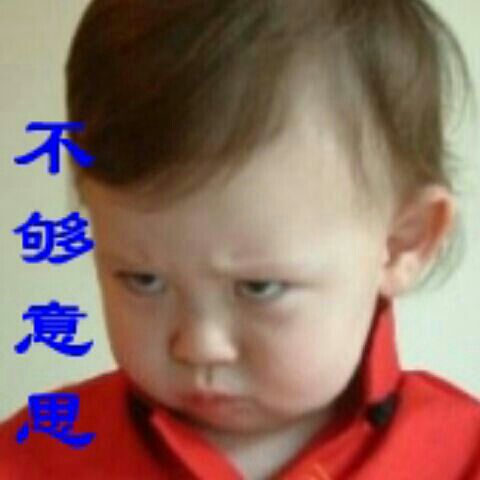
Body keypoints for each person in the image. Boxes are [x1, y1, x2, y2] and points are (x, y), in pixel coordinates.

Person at [1, 0, 479, 478]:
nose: (198, 346)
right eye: (143, 280)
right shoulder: (35, 455)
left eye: (258, 287)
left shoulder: (461, 457)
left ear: (401, 243)